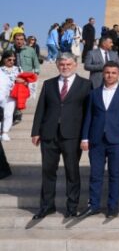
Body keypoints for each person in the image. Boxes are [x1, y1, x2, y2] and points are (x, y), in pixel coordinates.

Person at [30, 53, 92, 219]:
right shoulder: (49, 84)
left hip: (72, 135)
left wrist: (86, 136)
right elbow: (41, 108)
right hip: (49, 134)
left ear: (75, 65)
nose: (65, 67)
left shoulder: (85, 84)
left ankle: (71, 207)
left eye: (68, 64)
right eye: (62, 64)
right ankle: (47, 206)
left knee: (72, 172)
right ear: (57, 65)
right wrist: (35, 131)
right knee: (48, 171)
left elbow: (88, 113)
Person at [79, 62, 119, 219]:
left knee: (115, 174)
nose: (110, 75)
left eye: (113, 73)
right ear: (103, 74)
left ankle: (112, 206)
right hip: (96, 140)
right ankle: (94, 205)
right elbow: (88, 117)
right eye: (107, 72)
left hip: (117, 139)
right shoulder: (94, 94)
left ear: (118, 74)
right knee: (95, 174)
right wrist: (85, 137)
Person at [1, 52, 21, 141]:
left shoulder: (18, 69)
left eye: (13, 60)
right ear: (4, 59)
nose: (12, 61)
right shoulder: (1, 69)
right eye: (9, 59)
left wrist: (22, 81)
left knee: (8, 114)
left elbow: (26, 82)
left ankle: (4, 132)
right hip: (1, 95)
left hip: (12, 95)